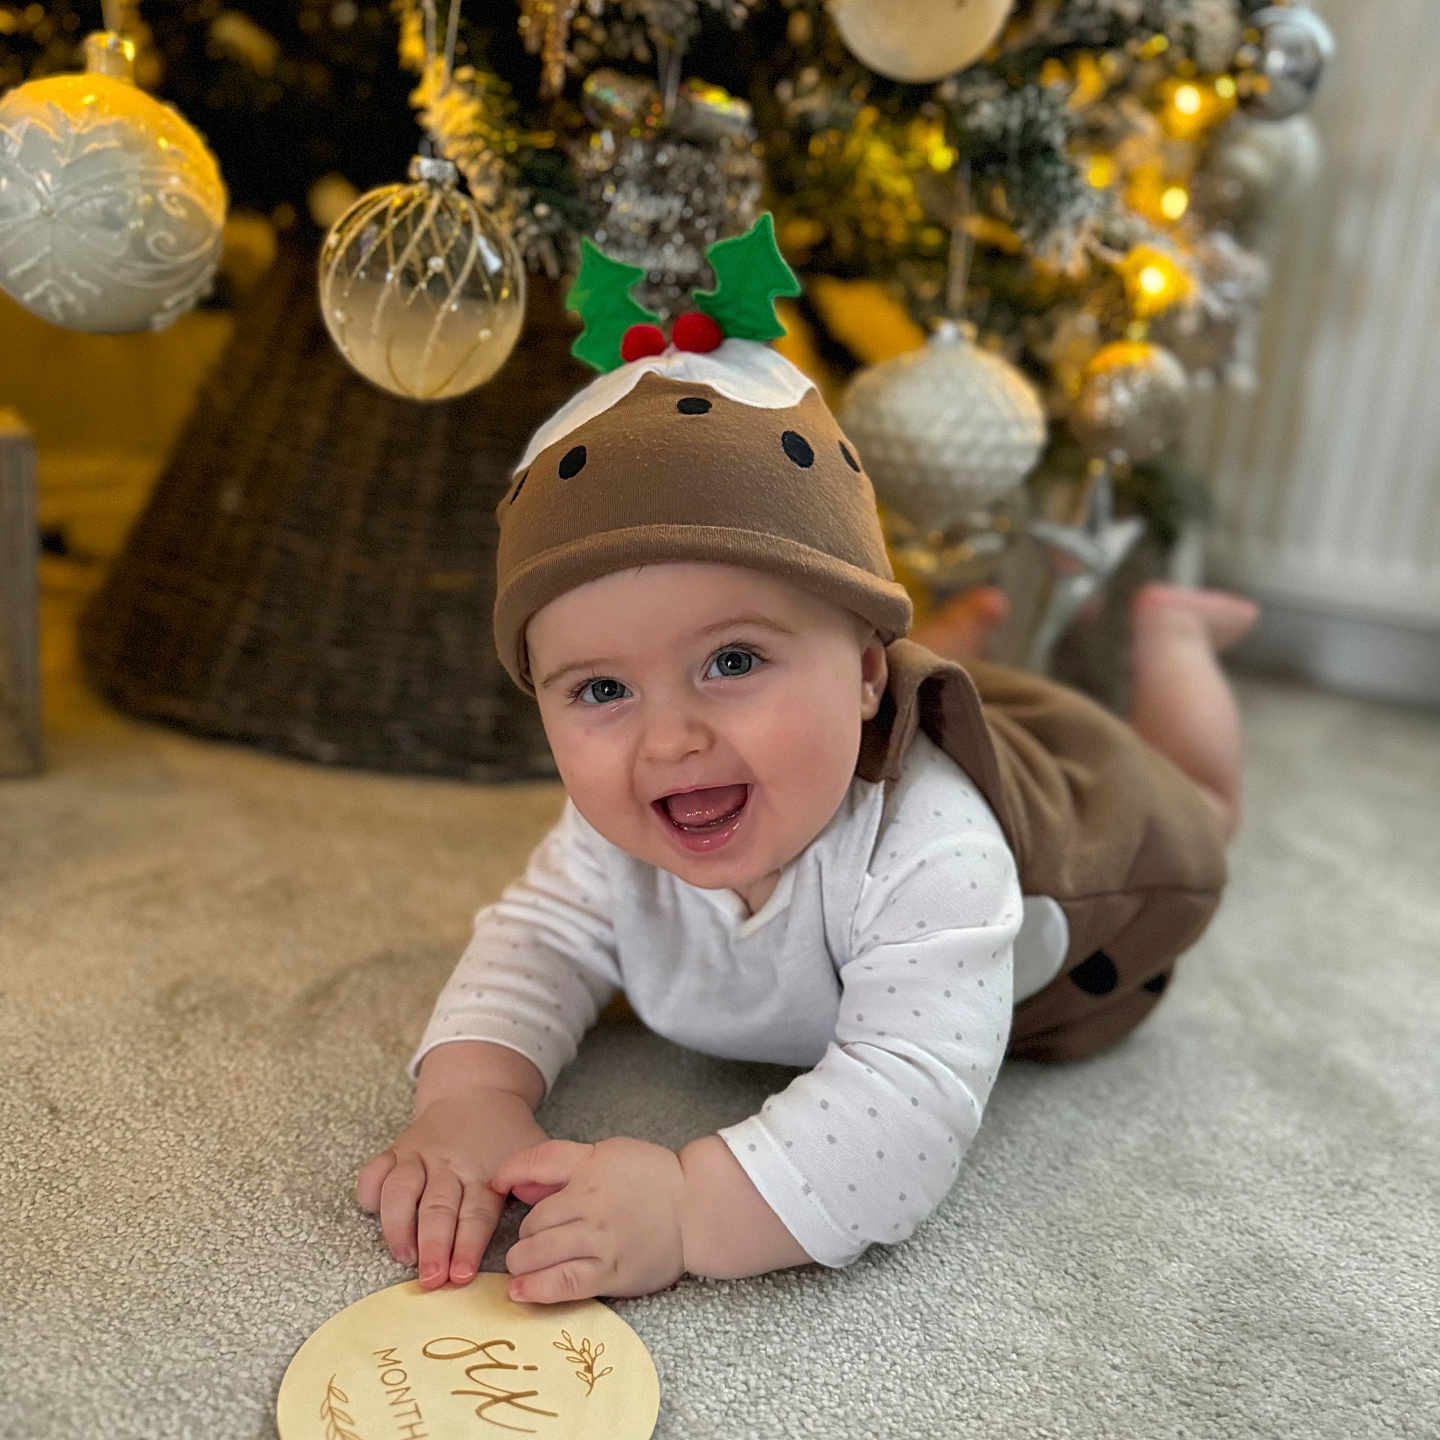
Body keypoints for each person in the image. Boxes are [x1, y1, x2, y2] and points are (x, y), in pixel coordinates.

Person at [356, 224, 1258, 1306]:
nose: (668, 740)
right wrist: (469, 1098)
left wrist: (687, 1203)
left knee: (1201, 802)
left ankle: (1174, 638)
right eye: (601, 689)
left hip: (1091, 838)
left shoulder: (937, 853)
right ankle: (919, 645)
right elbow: (538, 939)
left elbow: (907, 1105)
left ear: (868, 675)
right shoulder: (619, 822)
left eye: (731, 660)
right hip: (864, 692)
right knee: (813, 699)